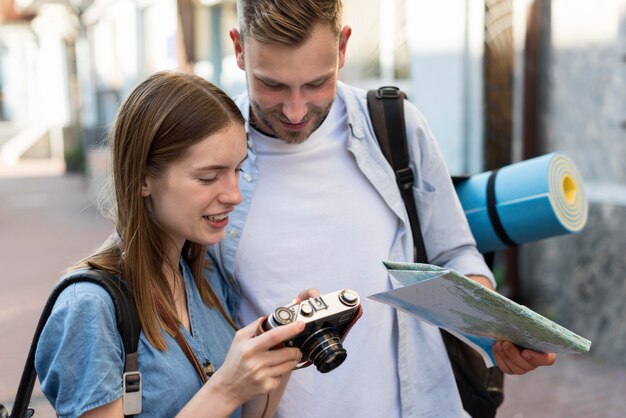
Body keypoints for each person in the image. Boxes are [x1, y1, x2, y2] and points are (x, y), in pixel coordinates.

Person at [205, 1, 558, 417]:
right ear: (239, 49)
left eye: (317, 83)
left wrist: (494, 327)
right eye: (273, 86)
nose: (295, 110)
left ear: (342, 47)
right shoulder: (207, 152)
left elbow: (454, 253)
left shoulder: (395, 125)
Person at [35, 71, 312, 418]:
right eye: (208, 177)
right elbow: (224, 396)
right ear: (142, 180)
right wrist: (226, 388)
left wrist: (282, 350)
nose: (234, 195)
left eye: (238, 170)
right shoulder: (89, 309)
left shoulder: (206, 276)